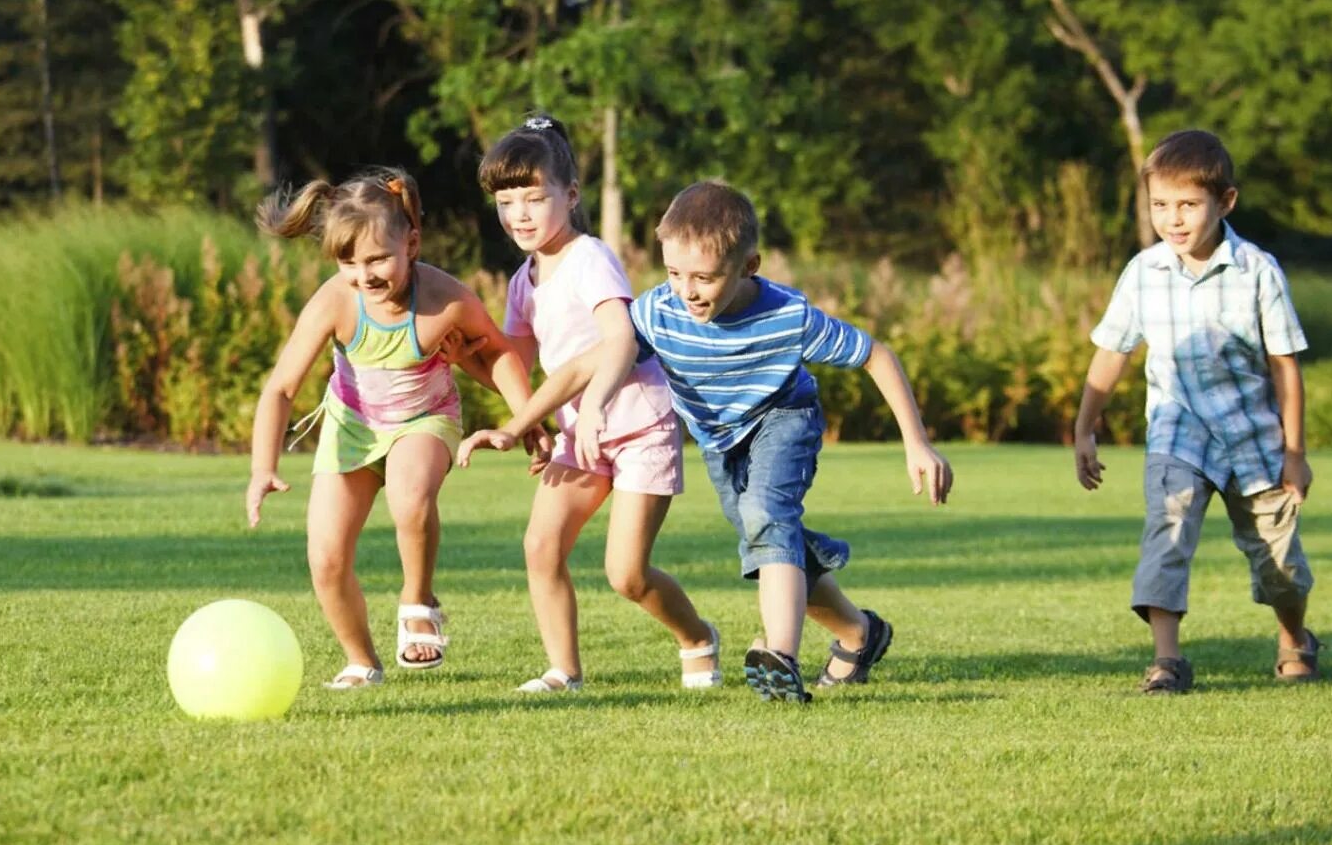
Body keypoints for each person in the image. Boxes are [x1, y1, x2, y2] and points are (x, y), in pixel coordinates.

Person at [461, 180, 952, 703]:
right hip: (721, 440)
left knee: (767, 515)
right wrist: (518, 425)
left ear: (749, 266)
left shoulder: (789, 317)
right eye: (674, 273)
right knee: (771, 539)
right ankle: (859, 632)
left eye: (705, 278)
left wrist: (916, 443)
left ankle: (780, 657)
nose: (688, 291)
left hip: (784, 417)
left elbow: (876, 354)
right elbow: (588, 362)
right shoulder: (661, 310)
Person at [458, 115, 720, 693]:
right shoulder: (524, 279)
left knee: (626, 574)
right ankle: (563, 671)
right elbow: (514, 366)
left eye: (534, 197)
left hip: (638, 423)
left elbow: (620, 338)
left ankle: (697, 637)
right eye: (506, 201)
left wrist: (595, 402)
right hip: (582, 431)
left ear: (570, 195)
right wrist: (460, 361)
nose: (519, 214)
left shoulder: (590, 257)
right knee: (540, 544)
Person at [246, 168, 534, 689]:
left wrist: (527, 419)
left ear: (412, 243)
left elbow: (498, 357)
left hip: (425, 420)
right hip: (351, 428)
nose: (365, 275)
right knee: (326, 558)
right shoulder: (337, 300)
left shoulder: (444, 299)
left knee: (409, 495)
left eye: (378, 258)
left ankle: (417, 598)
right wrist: (262, 467)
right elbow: (281, 389)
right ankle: (361, 660)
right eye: (348, 262)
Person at [1074, 129, 1317, 693]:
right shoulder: (1143, 272)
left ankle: (1294, 638)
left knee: (1278, 565)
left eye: (1188, 204)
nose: (1173, 219)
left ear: (1225, 201)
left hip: (1253, 438)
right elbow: (1112, 352)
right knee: (1168, 529)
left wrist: (1295, 453)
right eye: (1161, 205)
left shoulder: (1257, 271)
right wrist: (1085, 428)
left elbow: (1285, 367)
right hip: (1178, 431)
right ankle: (1168, 661)